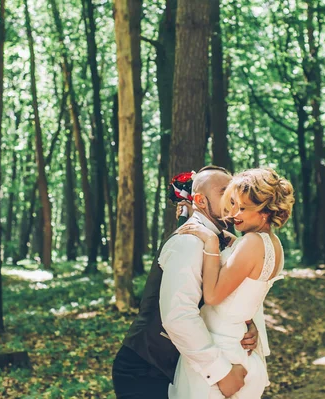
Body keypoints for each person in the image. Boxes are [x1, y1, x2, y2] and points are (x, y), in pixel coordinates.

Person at [112, 166, 259, 399]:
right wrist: (221, 373)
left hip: (182, 368)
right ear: (200, 200)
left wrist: (246, 325)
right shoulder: (189, 242)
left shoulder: (224, 243)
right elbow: (178, 316)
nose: (234, 198)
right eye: (225, 192)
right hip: (147, 371)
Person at [170, 167, 294, 398]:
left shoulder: (252, 243)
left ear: (264, 212)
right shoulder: (271, 243)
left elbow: (213, 297)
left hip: (223, 350)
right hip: (239, 346)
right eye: (233, 203)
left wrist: (210, 243)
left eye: (243, 208)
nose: (233, 213)